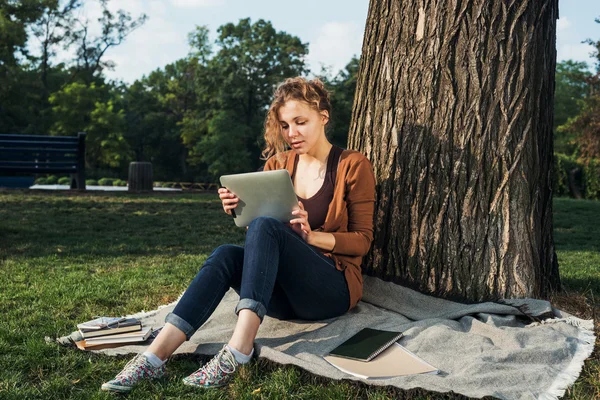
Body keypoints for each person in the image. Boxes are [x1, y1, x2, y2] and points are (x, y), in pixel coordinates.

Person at [100, 77, 376, 393]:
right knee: (225, 254)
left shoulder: (352, 165)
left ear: (323, 117)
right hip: (283, 297)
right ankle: (153, 358)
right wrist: (237, 207)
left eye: (301, 122)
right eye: (285, 125)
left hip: (331, 290)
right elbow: (260, 233)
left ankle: (237, 351)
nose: (292, 133)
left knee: (265, 227)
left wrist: (313, 237)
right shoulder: (279, 164)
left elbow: (363, 240)